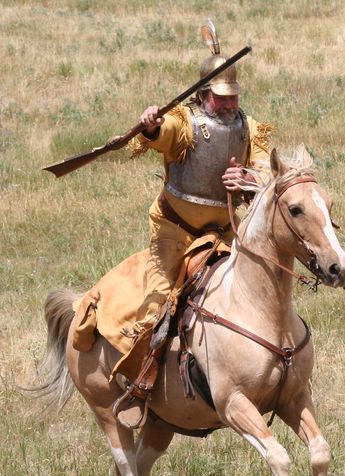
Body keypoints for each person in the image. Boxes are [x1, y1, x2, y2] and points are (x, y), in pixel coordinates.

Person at [114, 21, 273, 427]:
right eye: (220, 98)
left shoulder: (248, 128)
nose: (228, 104)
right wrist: (151, 123)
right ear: (203, 96)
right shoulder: (185, 123)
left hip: (223, 231)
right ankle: (142, 383)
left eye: (233, 96)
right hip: (175, 230)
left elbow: (266, 172)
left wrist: (249, 181)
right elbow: (162, 133)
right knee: (159, 302)